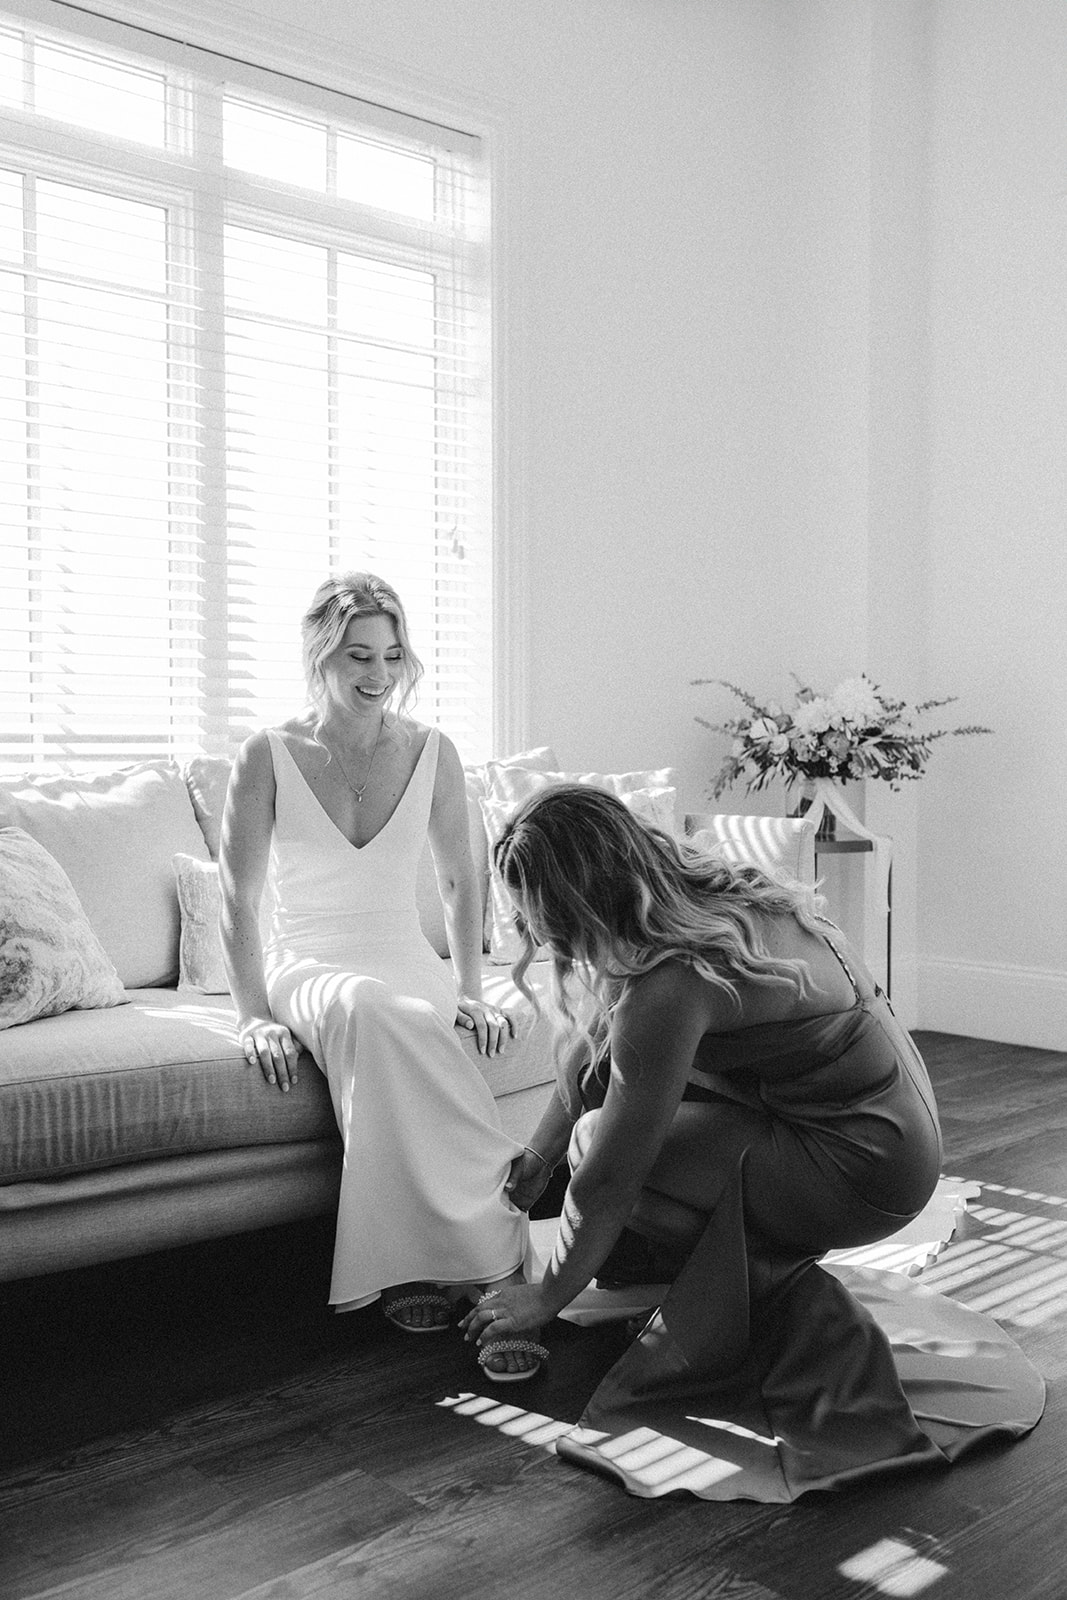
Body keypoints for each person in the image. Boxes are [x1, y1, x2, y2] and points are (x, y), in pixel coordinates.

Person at [461, 785, 1044, 1499]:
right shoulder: (703, 903)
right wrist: (536, 1157)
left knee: (596, 1144)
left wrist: (544, 1297)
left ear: (577, 906)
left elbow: (610, 1176)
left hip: (865, 1162)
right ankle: (702, 1271)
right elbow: (596, 1050)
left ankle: (735, 1291)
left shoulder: (672, 983)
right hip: (887, 1121)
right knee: (586, 1134)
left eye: (535, 916)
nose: (532, 932)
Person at [218, 572, 546, 1380]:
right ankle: (497, 1265)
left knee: (419, 1017)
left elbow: (462, 878)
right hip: (312, 960)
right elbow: (238, 895)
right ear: (320, 656)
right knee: (370, 1009)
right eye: (358, 654)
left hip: (406, 955)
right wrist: (252, 1013)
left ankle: (423, 1263)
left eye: (392, 655)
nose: (376, 672)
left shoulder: (432, 751)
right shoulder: (266, 753)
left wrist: (469, 988)